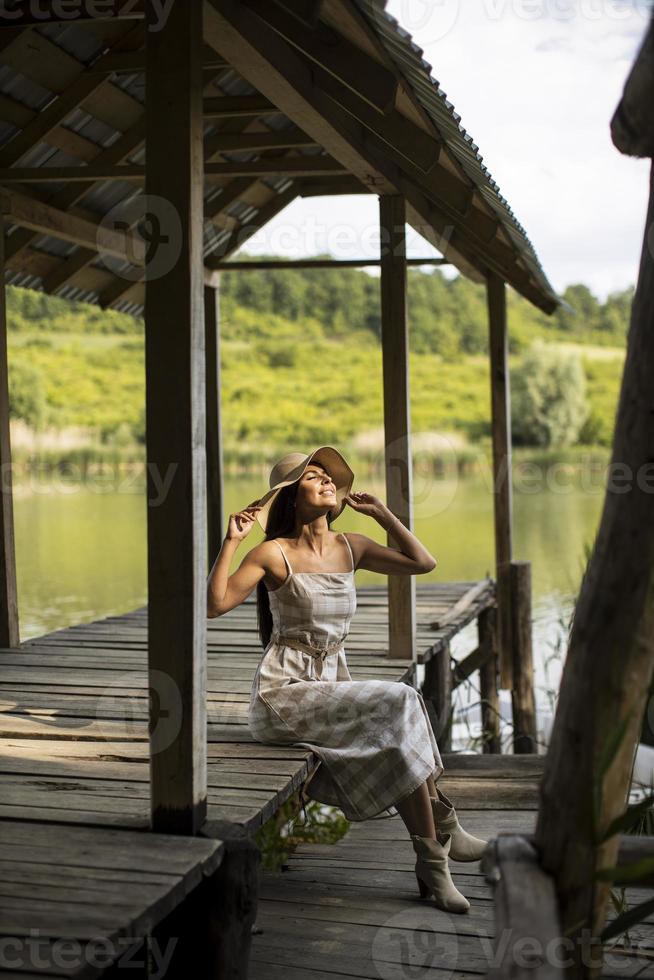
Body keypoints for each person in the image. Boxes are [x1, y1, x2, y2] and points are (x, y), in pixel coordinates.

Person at [206, 446, 488, 913]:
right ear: (293, 497)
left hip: (333, 686)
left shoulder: (350, 546)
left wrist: (384, 515)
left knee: (400, 726)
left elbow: (423, 563)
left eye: (329, 477)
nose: (327, 482)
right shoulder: (272, 553)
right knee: (402, 698)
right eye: (313, 477)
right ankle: (442, 838)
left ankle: (434, 856)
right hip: (284, 696)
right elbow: (215, 605)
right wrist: (231, 541)